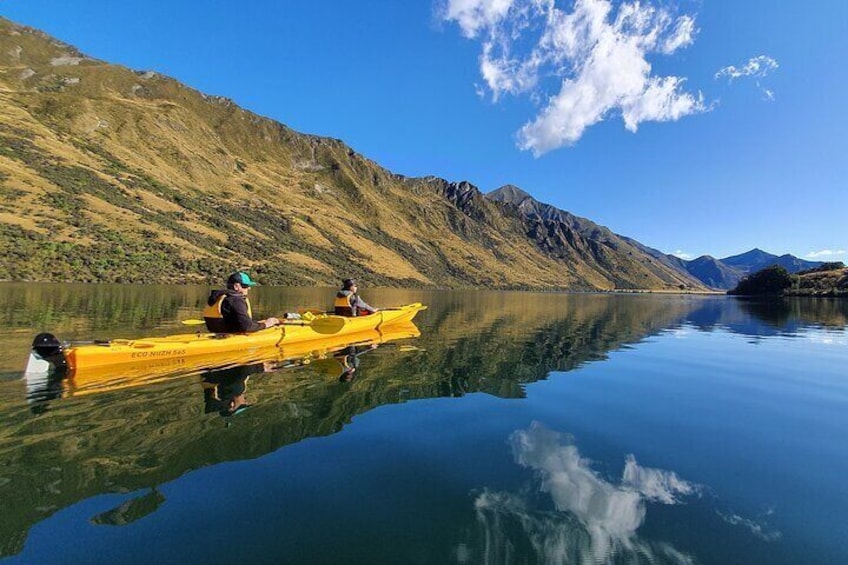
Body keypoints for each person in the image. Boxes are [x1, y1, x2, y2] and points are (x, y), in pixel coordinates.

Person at [203, 271, 281, 333]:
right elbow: (247, 327)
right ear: (236, 286)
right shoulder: (236, 300)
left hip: (216, 332)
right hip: (230, 335)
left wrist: (257, 323)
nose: (249, 288)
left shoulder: (217, 297)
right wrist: (267, 323)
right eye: (245, 286)